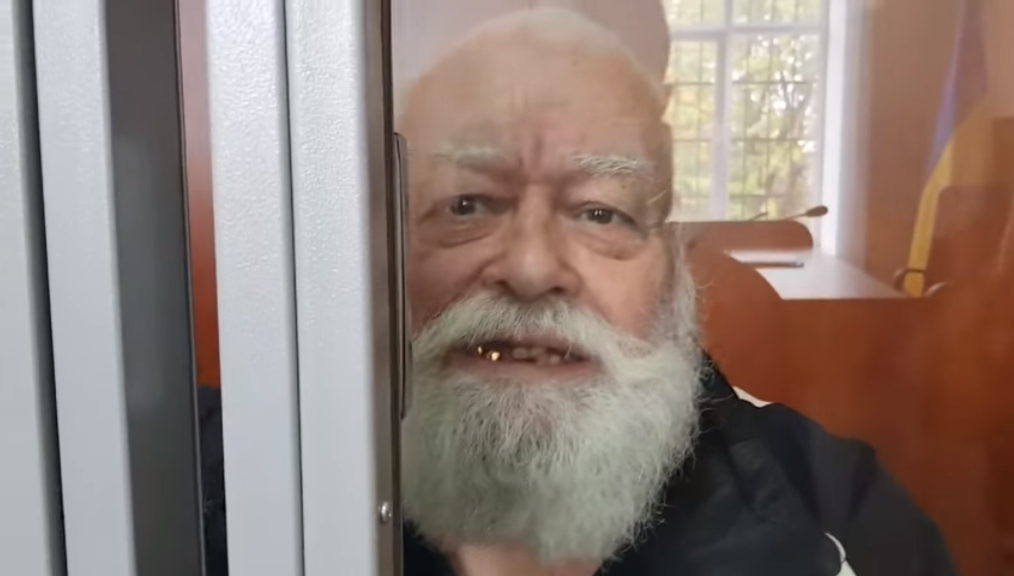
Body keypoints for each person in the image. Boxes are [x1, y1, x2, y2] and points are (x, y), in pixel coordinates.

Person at [197, 7, 953, 576]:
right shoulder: (203, 496)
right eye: (467, 203)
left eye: (600, 212)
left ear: (671, 264)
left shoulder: (839, 515)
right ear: (383, 249)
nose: (531, 269)